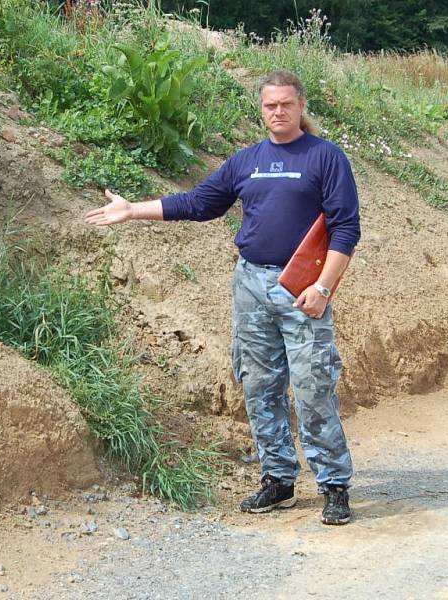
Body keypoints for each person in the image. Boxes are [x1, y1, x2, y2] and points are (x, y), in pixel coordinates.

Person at [84, 70, 360, 526]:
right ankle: (278, 480)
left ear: (301, 105)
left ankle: (334, 484)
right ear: (261, 108)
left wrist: (323, 287)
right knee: (258, 384)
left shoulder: (325, 158)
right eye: (270, 105)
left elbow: (346, 227)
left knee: (313, 386)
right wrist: (133, 210)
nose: (278, 112)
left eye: (286, 104)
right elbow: (199, 203)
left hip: (302, 289)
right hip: (250, 284)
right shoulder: (246, 160)